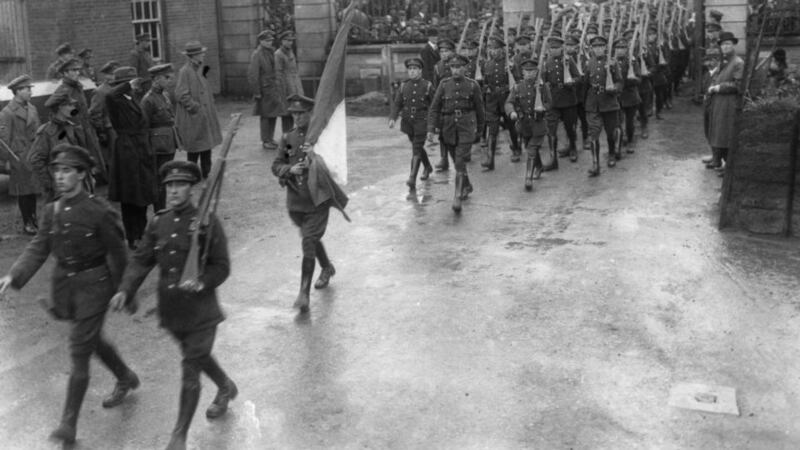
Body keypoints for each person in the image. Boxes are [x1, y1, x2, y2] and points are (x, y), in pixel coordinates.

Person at [0, 144, 138, 445]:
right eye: (57, 171)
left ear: (82, 175)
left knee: (79, 350)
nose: (60, 177)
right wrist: (15, 274)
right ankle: (125, 376)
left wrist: (126, 291)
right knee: (92, 340)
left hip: (96, 286)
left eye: (67, 171)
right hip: (66, 287)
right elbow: (39, 246)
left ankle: (68, 424)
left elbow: (119, 254)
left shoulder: (99, 212)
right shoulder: (52, 210)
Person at [111, 160, 237, 450]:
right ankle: (226, 386)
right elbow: (142, 259)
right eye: (169, 185)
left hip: (202, 313)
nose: (174, 190)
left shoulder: (207, 222)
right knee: (199, 357)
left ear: (192, 189)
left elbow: (222, 266)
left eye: (180, 185)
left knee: (190, 366)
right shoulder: (159, 222)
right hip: (172, 312)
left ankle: (178, 435)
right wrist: (125, 289)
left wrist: (202, 281)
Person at [272, 94, 342, 312]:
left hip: (317, 200)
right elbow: (276, 165)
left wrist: (317, 156)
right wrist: (288, 170)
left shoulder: (322, 138)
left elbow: (336, 166)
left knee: (309, 240)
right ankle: (327, 267)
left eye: (301, 113)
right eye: (294, 114)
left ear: (311, 113)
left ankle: (303, 293)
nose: (297, 117)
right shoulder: (288, 138)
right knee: (310, 239)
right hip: (295, 202)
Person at [105, 66, 158, 249]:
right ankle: (132, 236)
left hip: (141, 150)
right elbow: (110, 95)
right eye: (132, 83)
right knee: (129, 198)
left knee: (142, 194)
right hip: (127, 153)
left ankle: (141, 232)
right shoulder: (116, 100)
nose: (137, 86)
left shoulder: (133, 99)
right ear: (123, 85)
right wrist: (126, 85)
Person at [428, 54, 485, 212]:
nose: (456, 70)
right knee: (456, 161)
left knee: (460, 161)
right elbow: (434, 108)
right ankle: (467, 185)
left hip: (466, 127)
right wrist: (431, 129)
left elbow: (480, 110)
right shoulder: (444, 85)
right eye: (453, 67)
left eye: (459, 67)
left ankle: (457, 196)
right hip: (448, 128)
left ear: (465, 68)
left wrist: (480, 129)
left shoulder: (473, 85)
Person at [29, 92, 91, 200]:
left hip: (76, 186)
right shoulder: (46, 132)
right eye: (70, 105)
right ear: (60, 108)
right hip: (59, 192)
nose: (73, 108)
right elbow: (35, 160)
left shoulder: (71, 127)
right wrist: (51, 184)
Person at [53, 58, 106, 182]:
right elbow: (57, 113)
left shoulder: (78, 87)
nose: (77, 73)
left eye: (78, 70)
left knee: (90, 164)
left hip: (86, 130)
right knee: (77, 166)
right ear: (65, 73)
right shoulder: (63, 90)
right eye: (73, 70)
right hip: (74, 133)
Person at [0, 75, 41, 234]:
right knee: (24, 192)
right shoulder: (7, 112)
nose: (30, 92)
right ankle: (28, 223)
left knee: (33, 189)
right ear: (17, 92)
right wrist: (7, 160)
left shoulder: (32, 108)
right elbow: (3, 140)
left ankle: (34, 219)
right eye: (27, 89)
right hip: (18, 157)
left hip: (33, 153)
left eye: (30, 88)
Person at [176, 40, 222, 178]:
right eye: (200, 54)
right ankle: (192, 174)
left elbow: (205, 89)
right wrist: (195, 108)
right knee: (195, 146)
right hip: (193, 116)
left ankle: (206, 172)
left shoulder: (202, 68)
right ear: (193, 56)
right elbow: (180, 94)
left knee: (206, 145)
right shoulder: (185, 71)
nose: (203, 55)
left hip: (205, 114)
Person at [389, 58, 434, 191]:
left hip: (422, 121)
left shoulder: (428, 85)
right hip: (408, 121)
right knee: (417, 147)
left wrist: (433, 124)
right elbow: (398, 103)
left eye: (415, 69)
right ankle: (427, 167)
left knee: (416, 147)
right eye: (410, 69)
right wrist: (393, 118)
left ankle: (412, 178)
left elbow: (434, 105)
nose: (412, 71)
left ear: (420, 70)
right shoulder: (404, 86)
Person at [505, 59, 549, 191]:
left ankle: (528, 178)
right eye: (526, 71)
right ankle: (539, 166)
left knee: (530, 150)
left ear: (536, 72)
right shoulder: (518, 87)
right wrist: (511, 112)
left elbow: (549, 103)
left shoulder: (542, 87)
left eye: (532, 71)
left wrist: (543, 108)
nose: (529, 74)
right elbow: (509, 102)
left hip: (538, 124)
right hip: (524, 125)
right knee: (530, 146)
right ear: (522, 72)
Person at [142, 63, 180, 211]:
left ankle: (163, 207)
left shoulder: (164, 95)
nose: (170, 80)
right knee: (159, 180)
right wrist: (147, 149)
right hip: (157, 147)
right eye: (167, 77)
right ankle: (160, 210)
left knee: (165, 177)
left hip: (168, 143)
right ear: (156, 79)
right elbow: (144, 127)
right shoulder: (148, 100)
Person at [706, 32, 744, 177]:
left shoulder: (738, 62)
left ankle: (729, 168)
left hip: (728, 103)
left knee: (726, 133)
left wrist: (719, 88)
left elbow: (738, 85)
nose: (725, 47)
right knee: (717, 130)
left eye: (728, 44)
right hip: (719, 102)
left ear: (733, 45)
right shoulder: (726, 61)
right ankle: (719, 160)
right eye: (723, 44)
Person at [584, 35, 622, 176]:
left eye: (601, 46)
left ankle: (611, 154)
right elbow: (585, 84)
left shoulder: (612, 63)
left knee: (611, 132)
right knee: (594, 134)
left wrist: (615, 88)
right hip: (593, 103)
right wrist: (584, 104)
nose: (598, 49)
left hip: (609, 102)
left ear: (605, 47)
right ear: (592, 49)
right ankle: (595, 164)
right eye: (595, 47)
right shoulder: (589, 64)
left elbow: (619, 81)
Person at [480, 35, 520, 168]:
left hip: (506, 99)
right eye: (491, 48)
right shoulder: (487, 65)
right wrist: (487, 89)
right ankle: (490, 159)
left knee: (511, 126)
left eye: (496, 49)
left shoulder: (510, 64)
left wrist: (511, 73)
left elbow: (518, 82)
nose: (493, 51)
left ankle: (515, 148)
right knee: (492, 129)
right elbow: (484, 83)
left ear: (502, 50)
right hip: (492, 101)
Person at [542, 35, 581, 168]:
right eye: (552, 48)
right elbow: (542, 80)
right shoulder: (546, 63)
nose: (554, 50)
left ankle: (573, 148)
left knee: (570, 127)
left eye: (557, 48)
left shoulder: (568, 60)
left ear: (562, 48)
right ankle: (553, 159)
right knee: (551, 129)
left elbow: (578, 77)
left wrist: (572, 82)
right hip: (553, 100)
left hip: (568, 99)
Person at [248, 30, 281, 150]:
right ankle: (265, 140)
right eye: (267, 40)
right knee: (265, 116)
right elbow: (253, 75)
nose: (270, 42)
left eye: (271, 40)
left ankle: (270, 138)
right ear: (261, 41)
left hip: (273, 88)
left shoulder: (272, 52)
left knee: (273, 114)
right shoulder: (257, 54)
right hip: (264, 89)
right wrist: (256, 92)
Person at [89, 60, 121, 172]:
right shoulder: (100, 91)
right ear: (106, 75)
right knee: (113, 159)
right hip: (110, 128)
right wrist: (101, 131)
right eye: (111, 74)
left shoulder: (120, 88)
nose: (113, 76)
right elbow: (95, 113)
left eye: (115, 73)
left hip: (121, 126)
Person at [614, 37, 641, 154]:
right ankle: (617, 145)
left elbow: (639, 79)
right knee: (617, 123)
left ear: (627, 49)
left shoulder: (632, 62)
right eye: (618, 48)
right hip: (616, 97)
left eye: (623, 48)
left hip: (630, 96)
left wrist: (632, 79)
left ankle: (630, 141)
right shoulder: (611, 62)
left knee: (629, 123)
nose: (620, 50)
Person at [275, 30, 305, 133]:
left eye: (291, 41)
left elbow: (294, 71)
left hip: (295, 86)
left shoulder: (290, 52)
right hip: (285, 88)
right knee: (287, 113)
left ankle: (295, 135)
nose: (290, 43)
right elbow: (278, 74)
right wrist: (280, 91)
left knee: (298, 111)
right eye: (287, 40)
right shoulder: (278, 54)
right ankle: (286, 137)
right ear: (282, 41)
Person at [129, 33, 155, 100]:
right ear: (141, 42)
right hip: (143, 85)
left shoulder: (146, 53)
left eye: (149, 41)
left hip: (150, 83)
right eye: (147, 41)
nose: (149, 43)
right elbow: (133, 71)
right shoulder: (135, 54)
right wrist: (137, 87)